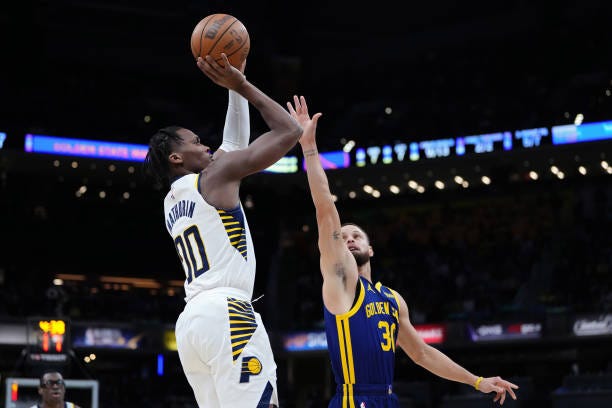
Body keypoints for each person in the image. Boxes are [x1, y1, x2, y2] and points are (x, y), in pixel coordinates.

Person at [287, 95, 519, 407]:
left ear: (371, 250)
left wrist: (477, 381)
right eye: (343, 237)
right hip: (355, 401)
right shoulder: (341, 283)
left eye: (357, 235)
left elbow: (422, 353)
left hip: (388, 399)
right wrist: (310, 149)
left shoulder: (392, 299)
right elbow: (326, 209)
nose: (349, 239)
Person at [144, 54, 302, 408]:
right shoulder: (215, 176)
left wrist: (235, 83)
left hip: (192, 324)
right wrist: (242, 86)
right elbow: (290, 131)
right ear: (176, 158)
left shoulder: (173, 201)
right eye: (196, 142)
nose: (206, 146)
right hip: (229, 313)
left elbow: (232, 145)